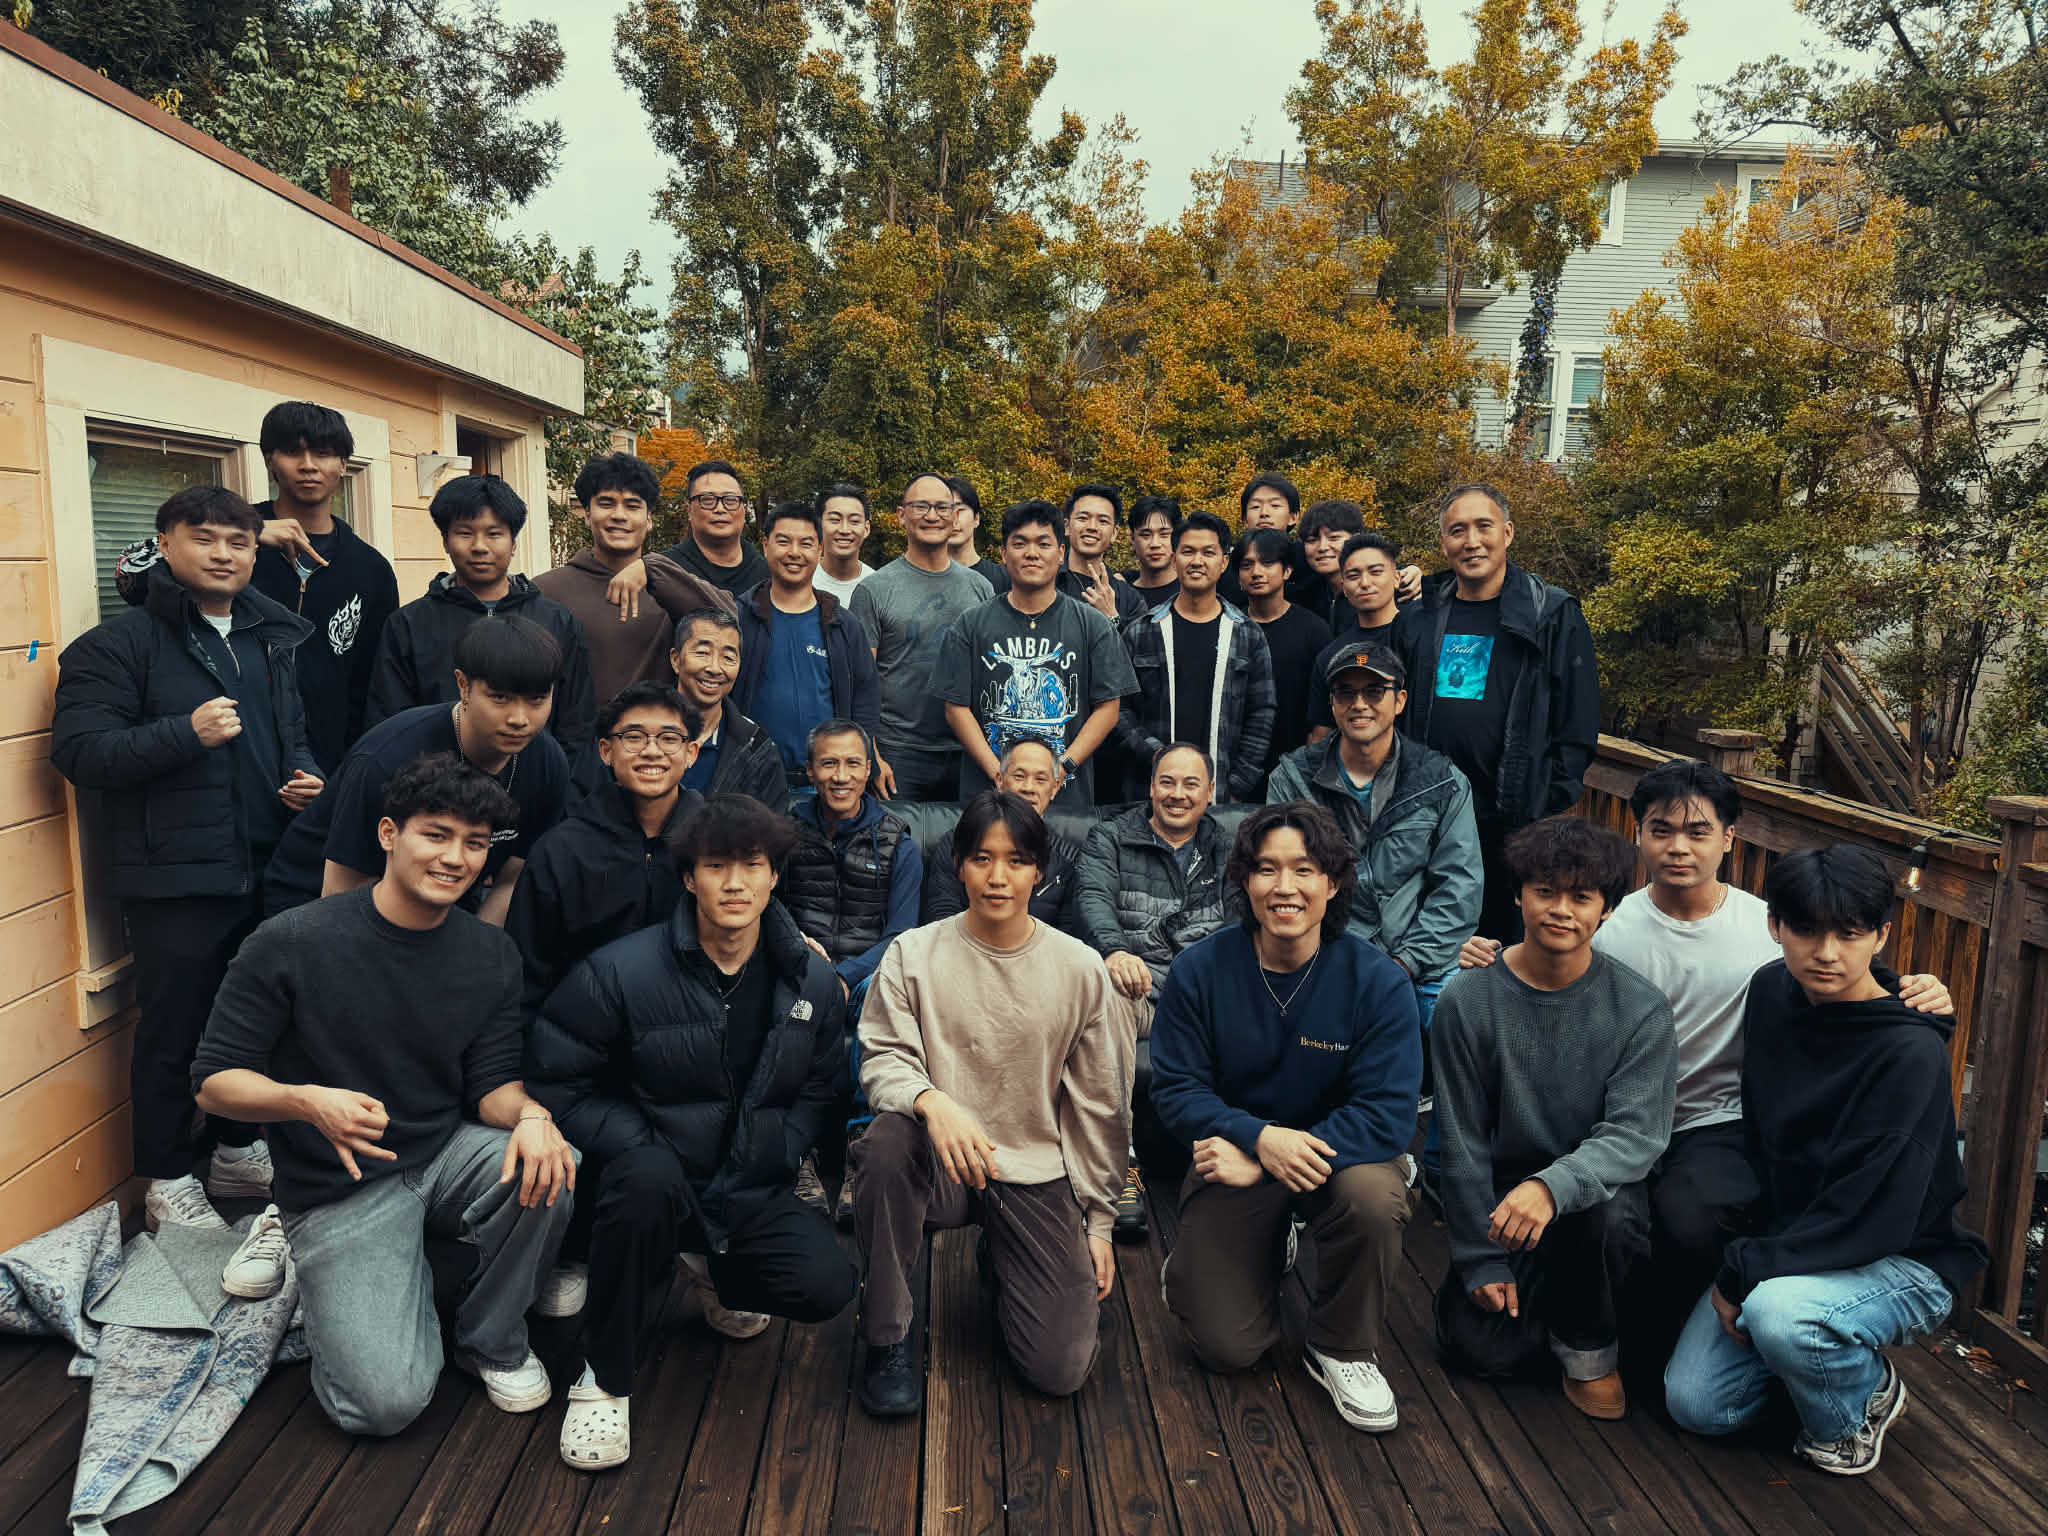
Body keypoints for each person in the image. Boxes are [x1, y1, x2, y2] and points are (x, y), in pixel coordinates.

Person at [1454, 757, 1956, 1369]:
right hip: (1611, 1112)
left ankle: (1670, 1345)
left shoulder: (1761, 929)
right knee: (1607, 1216)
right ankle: (1607, 1335)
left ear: (1728, 839)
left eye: (1698, 832)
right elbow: (1549, 964)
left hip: (1714, 1120)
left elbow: (1839, 969)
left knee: (1690, 1217)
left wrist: (1918, 996)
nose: (1678, 848)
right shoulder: (1612, 922)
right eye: (1661, 830)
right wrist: (1488, 957)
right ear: (1639, 835)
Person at [191, 752, 578, 1437]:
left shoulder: (490, 955)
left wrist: (534, 1117)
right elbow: (215, 1085)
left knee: (551, 1163)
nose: (455, 857)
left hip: (439, 1150)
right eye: (437, 834)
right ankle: (337, 1279)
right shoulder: (292, 941)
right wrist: (307, 1101)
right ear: (389, 834)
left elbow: (492, 1088)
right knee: (382, 1408)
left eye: (475, 843)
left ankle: (488, 1335)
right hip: (336, 1184)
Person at [527, 794, 856, 1471]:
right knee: (644, 1183)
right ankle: (605, 1377)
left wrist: (783, 1148)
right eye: (715, 866)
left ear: (773, 876)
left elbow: (822, 1084)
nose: (734, 883)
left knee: (826, 1283)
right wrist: (638, 1143)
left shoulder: (811, 981)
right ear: (688, 878)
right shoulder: (622, 970)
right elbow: (559, 1083)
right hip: (650, 1175)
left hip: (747, 1181)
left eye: (752, 866)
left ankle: (710, 1266)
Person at [1661, 846, 1988, 1476]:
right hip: (1800, 1243)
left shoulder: (1908, 1053)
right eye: (1806, 929)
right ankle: (1813, 1363)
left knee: (1778, 1315)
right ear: (1774, 927)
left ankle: (1856, 1409)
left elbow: (1873, 1215)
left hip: (1902, 1255)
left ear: (1881, 936)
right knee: (1696, 1404)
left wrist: (1745, 1272)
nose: (1827, 952)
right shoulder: (1772, 991)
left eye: (1850, 932)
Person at [52, 484, 323, 1232]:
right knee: (176, 1029)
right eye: (204, 538)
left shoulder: (269, 635)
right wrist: (183, 733)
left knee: (257, 1019)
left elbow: (291, 733)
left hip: (268, 865)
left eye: (238, 542)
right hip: (174, 878)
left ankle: (237, 1146)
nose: (223, 554)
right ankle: (167, 1176)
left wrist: (305, 775)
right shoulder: (116, 646)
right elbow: (79, 754)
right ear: (165, 545)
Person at [851, 791, 1130, 1415]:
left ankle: (1002, 1253)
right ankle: (887, 1334)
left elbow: (1101, 1105)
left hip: (1033, 1168)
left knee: (1060, 1369)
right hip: (938, 1161)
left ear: (1040, 870)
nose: (997, 876)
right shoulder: (914, 954)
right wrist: (931, 1101)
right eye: (981, 858)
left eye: (1015, 860)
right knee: (885, 1145)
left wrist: (1101, 1222)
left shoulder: (1080, 968)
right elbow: (883, 1058)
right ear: (958, 865)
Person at [1150, 802, 1422, 1432]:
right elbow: (1175, 1091)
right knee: (1226, 1348)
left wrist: (1269, 1159)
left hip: (1339, 1163)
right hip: (1236, 1158)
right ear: (1245, 881)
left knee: (1375, 1196)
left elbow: (1386, 1116)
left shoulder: (1376, 981)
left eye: (1304, 869)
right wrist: (1257, 1140)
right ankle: (1244, 1253)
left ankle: (1340, 1345)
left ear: (1332, 882)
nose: (1285, 887)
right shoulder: (1201, 970)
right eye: (1267, 869)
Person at [1433, 817, 1675, 1421]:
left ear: (1607, 910)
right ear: (1518, 895)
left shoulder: (1640, 1008)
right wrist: (1477, 1258)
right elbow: (1460, 1140)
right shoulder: (1468, 999)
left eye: (1581, 896)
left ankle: (1590, 1351)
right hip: (1503, 1200)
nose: (1560, 910)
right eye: (1545, 891)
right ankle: (1551, 1308)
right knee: (1477, 1351)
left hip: (1597, 1195)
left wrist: (1551, 1186)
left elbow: (1635, 1134)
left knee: (1610, 1219)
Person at [109, 402, 401, 775]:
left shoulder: (369, 569)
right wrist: (252, 533)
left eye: (323, 453)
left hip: (327, 765)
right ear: (269, 461)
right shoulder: (225, 532)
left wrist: (359, 765)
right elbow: (128, 576)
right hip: (228, 751)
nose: (308, 465)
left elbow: (374, 682)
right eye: (293, 451)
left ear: (343, 465)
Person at [1391, 484, 1600, 944]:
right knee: (1430, 935)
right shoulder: (1419, 615)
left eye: (1483, 527)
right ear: (1443, 543)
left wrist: (1549, 795)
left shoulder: (1552, 613)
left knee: (1502, 941)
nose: (1471, 541)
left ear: (1507, 533)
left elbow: (1579, 716)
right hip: (1430, 808)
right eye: (1456, 530)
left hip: (1514, 816)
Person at [265, 616, 571, 924]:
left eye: (536, 700)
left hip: (439, 901)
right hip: (313, 904)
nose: (519, 718)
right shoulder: (388, 757)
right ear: (463, 685)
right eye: (500, 698)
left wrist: (476, 951)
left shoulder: (546, 763)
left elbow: (510, 880)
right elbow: (338, 891)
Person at [1266, 644, 1480, 1057]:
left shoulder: (1441, 781)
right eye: (1346, 692)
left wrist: (1404, 964)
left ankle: (1444, 1121)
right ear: (1332, 703)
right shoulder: (1294, 779)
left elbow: (1459, 887)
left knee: (1471, 1033)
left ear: (1399, 700)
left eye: (1374, 692)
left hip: (1423, 962)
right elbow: (1282, 880)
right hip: (1325, 957)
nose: (1359, 704)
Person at [1076, 743, 1233, 1239]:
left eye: (1191, 784)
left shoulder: (1230, 849)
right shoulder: (1111, 838)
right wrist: (1115, 951)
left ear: (1210, 793)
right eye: (1167, 782)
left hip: (1204, 993)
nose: (1177, 794)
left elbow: (1246, 921)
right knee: (1109, 996)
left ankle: (1231, 1162)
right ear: (1150, 787)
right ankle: (1118, 1166)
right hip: (1137, 986)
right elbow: (1093, 897)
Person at [366, 474, 598, 792]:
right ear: (446, 540)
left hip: (535, 796)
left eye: (494, 534)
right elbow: (390, 722)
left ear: (514, 542)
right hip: (437, 799)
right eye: (464, 533)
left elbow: (577, 724)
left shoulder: (557, 621)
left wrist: (563, 798)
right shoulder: (409, 624)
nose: (479, 547)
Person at [503, 682, 704, 1024]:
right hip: (580, 1042)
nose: (652, 751)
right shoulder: (562, 851)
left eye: (669, 738)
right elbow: (526, 976)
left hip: (689, 1041)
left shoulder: (714, 843)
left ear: (691, 753)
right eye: (634, 737)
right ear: (606, 751)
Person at [932, 500, 1136, 805]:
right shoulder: (971, 624)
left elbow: (1109, 708)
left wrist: (1063, 767)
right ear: (1003, 553)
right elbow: (955, 708)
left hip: (1066, 798)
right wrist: (998, 771)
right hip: (988, 798)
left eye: (1043, 543)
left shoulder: (1092, 624)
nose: (1032, 553)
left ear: (1060, 554)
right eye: (1020, 543)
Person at [533, 453, 735, 703]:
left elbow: (731, 621)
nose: (619, 515)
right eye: (606, 503)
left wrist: (650, 570)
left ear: (649, 519)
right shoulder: (546, 591)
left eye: (632, 505)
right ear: (587, 514)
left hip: (660, 738)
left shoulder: (671, 588)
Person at [850, 473, 995, 800]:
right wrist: (871, 755)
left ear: (956, 516)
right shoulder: (874, 590)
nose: (932, 516)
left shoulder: (980, 588)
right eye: (921, 507)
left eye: (942, 507)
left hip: (968, 751)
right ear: (901, 515)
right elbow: (861, 681)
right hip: (898, 753)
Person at [1117, 511, 1276, 803]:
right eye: (1188, 551)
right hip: (1147, 791)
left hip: (1222, 793)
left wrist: (1238, 785)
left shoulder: (1248, 635)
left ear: (1224, 562)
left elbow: (1261, 713)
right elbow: (1119, 708)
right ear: (1174, 558)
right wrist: (1156, 755)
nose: (1197, 561)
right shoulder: (1141, 631)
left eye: (1208, 552)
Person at [732, 501, 881, 786]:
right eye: (784, 541)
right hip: (753, 779)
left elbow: (865, 699)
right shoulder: (740, 618)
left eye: (806, 543)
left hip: (827, 783)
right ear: (765, 545)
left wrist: (858, 763)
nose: (794, 553)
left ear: (820, 549)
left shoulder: (843, 625)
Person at [782, 720, 924, 996]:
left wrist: (845, 978)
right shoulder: (784, 835)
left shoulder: (898, 844)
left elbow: (901, 936)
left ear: (869, 769)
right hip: (799, 970)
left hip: (868, 978)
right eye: (829, 763)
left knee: (885, 998)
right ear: (810, 770)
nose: (841, 776)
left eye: (853, 763)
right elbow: (767, 912)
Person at [923, 738, 1086, 931]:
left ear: (1055, 787)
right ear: (1000, 780)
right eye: (1019, 776)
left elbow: (1068, 937)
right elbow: (941, 918)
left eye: (1040, 779)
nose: (1029, 788)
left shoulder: (1067, 859)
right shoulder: (959, 842)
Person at [1233, 528, 1331, 790]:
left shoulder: (1314, 631)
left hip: (1295, 768)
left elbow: (1323, 713)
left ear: (1287, 571)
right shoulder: (1228, 627)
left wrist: (1308, 770)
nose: (1256, 572)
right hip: (1235, 769)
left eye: (1267, 563)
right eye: (1247, 565)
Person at [670, 608, 792, 812]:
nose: (715, 668)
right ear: (676, 660)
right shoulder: (639, 732)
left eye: (728, 657)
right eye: (702, 653)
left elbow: (775, 830)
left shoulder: (756, 746)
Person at [1308, 532, 1409, 743]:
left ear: (1396, 577)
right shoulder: (1332, 654)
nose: (1364, 583)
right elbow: (1322, 731)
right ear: (1344, 587)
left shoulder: (1423, 636)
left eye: (1375, 572)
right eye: (1353, 576)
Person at [661, 459, 771, 596]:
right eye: (707, 499)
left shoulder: (768, 574)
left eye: (730, 500)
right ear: (689, 510)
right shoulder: (665, 571)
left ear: (744, 510)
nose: (720, 509)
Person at [1060, 484, 1149, 626]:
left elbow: (1139, 647)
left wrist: (1111, 617)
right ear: (1066, 526)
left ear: (1114, 533)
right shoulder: (1042, 581)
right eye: (1083, 518)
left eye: (1103, 521)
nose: (1092, 527)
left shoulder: (1130, 599)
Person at [1216, 471, 1301, 608]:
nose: (1264, 513)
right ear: (1244, 520)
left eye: (1275, 506)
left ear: (1293, 517)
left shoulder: (1308, 562)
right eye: (1255, 507)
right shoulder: (1225, 567)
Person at [1293, 499, 1368, 626]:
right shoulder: (1306, 596)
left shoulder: (1381, 589)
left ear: (1356, 539)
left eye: (1334, 538)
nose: (1322, 547)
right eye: (1312, 540)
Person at [814, 483, 876, 603]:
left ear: (866, 529)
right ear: (819, 525)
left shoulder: (878, 586)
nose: (844, 530)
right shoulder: (802, 580)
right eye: (835, 520)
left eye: (854, 521)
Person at [947, 476, 1008, 590]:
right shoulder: (919, 580)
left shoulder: (1005, 579)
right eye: (945, 510)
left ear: (976, 519)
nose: (954, 519)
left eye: (960, 510)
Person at [1124, 493, 1181, 608]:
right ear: (1132, 539)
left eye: (1164, 534)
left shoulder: (1193, 590)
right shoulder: (1120, 593)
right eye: (1146, 535)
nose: (1155, 544)